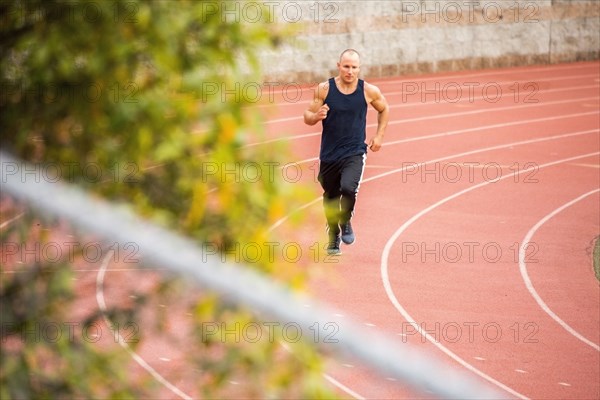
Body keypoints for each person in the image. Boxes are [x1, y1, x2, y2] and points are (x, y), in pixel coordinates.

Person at [303, 49, 389, 255]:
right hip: (329, 154)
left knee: (348, 188)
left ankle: (346, 220)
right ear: (339, 66)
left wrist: (379, 136)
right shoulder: (324, 89)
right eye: (346, 66)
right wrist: (316, 116)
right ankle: (333, 234)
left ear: (359, 68)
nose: (350, 71)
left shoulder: (368, 91)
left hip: (355, 152)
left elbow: (384, 109)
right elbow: (307, 116)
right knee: (330, 197)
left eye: (354, 67)